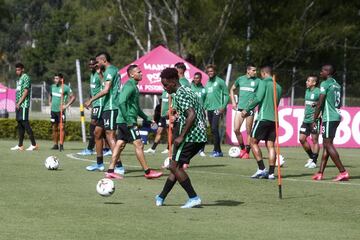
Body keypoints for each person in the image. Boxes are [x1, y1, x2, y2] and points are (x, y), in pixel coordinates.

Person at [155, 67, 207, 208]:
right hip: (200, 134)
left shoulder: (180, 94)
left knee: (173, 166)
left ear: (173, 81)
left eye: (166, 85)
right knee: (176, 167)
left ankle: (194, 197)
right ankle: (161, 197)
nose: (164, 88)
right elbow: (198, 110)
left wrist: (181, 135)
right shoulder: (188, 90)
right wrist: (175, 113)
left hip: (190, 136)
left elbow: (191, 114)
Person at [104, 65, 163, 179]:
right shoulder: (129, 85)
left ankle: (110, 170)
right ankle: (147, 172)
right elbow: (121, 102)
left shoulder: (134, 86)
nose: (141, 73)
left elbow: (136, 108)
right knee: (139, 145)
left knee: (120, 144)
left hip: (123, 121)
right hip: (128, 121)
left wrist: (147, 118)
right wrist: (129, 120)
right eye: (139, 72)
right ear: (131, 74)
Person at [84, 52, 124, 174]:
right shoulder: (106, 72)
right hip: (105, 106)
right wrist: (98, 73)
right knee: (97, 132)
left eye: (97, 62)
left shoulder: (111, 70)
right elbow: (104, 85)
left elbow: (106, 90)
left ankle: (119, 166)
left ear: (103, 60)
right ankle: (99, 163)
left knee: (110, 135)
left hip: (112, 106)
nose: (96, 64)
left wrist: (91, 99)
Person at [241, 65, 282, 180]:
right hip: (275, 120)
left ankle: (261, 169)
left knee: (253, 142)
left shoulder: (263, 83)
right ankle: (271, 173)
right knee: (270, 145)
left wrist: (246, 109)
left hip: (263, 118)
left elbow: (258, 98)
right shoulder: (278, 86)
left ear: (264, 73)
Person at [312, 64, 349, 181]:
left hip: (329, 117)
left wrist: (314, 119)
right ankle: (320, 173)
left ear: (327, 72)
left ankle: (343, 172)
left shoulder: (325, 83)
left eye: (322, 71)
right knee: (326, 145)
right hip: (336, 116)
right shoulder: (337, 84)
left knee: (328, 144)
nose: (320, 73)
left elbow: (320, 102)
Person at [229, 64, 260, 159]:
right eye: (253, 70)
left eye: (256, 70)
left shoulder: (258, 81)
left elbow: (259, 95)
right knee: (236, 129)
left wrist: (254, 103)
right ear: (248, 71)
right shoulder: (240, 79)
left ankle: (247, 151)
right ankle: (242, 148)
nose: (255, 72)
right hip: (240, 108)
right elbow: (232, 89)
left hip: (250, 110)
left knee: (248, 131)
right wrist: (233, 102)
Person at [78, 58, 103, 155]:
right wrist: (90, 100)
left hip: (100, 103)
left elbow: (104, 87)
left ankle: (89, 149)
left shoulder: (99, 74)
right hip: (95, 103)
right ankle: (104, 148)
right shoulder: (92, 75)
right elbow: (93, 90)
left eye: (92, 64)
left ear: (96, 65)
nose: (90, 66)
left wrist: (91, 101)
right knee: (100, 127)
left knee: (94, 124)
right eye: (89, 64)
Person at [10, 63, 38, 151]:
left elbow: (26, 91)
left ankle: (34, 144)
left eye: (19, 69)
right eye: (16, 70)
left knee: (25, 123)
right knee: (20, 124)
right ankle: (20, 145)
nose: (17, 71)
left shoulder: (26, 77)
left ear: (23, 69)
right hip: (19, 104)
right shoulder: (19, 79)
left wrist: (19, 103)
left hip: (23, 104)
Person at [204, 64, 229, 157]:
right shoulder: (207, 83)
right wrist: (204, 106)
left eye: (211, 71)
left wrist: (223, 107)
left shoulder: (220, 81)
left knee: (214, 128)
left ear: (215, 71)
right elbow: (207, 97)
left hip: (217, 108)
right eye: (208, 71)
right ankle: (219, 151)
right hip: (209, 109)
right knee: (213, 130)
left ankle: (217, 151)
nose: (210, 73)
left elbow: (227, 95)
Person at [49, 73, 76, 151]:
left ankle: (61, 144)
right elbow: (50, 95)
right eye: (55, 78)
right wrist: (50, 102)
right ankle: (55, 144)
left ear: (61, 79)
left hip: (61, 111)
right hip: (53, 111)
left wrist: (66, 106)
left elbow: (73, 97)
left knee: (62, 127)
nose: (55, 80)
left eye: (57, 78)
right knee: (54, 128)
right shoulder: (52, 86)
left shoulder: (66, 88)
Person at [299, 75, 321, 169]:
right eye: (307, 80)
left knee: (314, 140)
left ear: (314, 83)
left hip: (314, 120)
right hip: (306, 119)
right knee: (301, 139)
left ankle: (314, 161)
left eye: (308, 81)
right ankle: (312, 157)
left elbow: (322, 104)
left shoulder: (318, 91)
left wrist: (318, 117)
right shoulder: (307, 91)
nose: (306, 82)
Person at [191, 72, 207, 157]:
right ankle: (192, 149)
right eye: (195, 78)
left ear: (200, 79)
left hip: (201, 113)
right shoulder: (190, 87)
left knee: (202, 131)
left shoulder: (204, 89)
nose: (196, 79)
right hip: (191, 113)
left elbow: (205, 102)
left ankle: (201, 150)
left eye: (198, 78)